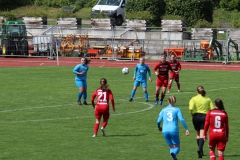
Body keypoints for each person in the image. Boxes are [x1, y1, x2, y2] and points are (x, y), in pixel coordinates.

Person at [157, 95, 189, 160]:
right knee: (177, 147)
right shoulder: (177, 109)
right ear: (175, 101)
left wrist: (159, 127)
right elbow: (181, 119)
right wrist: (186, 129)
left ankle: (173, 156)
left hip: (165, 130)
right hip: (174, 130)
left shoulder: (163, 110)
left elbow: (158, 121)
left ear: (167, 101)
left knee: (171, 147)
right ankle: (174, 154)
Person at [189, 86, 214, 158]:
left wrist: (192, 113)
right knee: (203, 134)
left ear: (197, 91)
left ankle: (201, 150)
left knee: (197, 134)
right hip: (204, 117)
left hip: (196, 117)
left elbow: (191, 108)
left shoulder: (193, 99)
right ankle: (200, 149)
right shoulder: (208, 99)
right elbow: (212, 109)